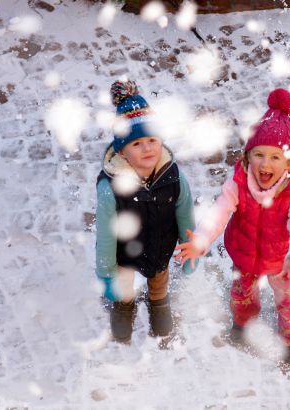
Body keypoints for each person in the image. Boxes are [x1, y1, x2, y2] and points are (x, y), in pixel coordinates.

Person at [175, 88, 290, 372]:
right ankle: (242, 325)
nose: (266, 164)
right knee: (241, 292)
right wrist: (202, 239)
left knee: (289, 300)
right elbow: (220, 210)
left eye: (275, 157)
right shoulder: (239, 184)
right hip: (245, 252)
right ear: (248, 156)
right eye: (259, 155)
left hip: (282, 259)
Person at [95, 80, 195, 345]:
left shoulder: (173, 177)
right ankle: (124, 305)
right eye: (137, 143)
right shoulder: (111, 188)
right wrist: (106, 272)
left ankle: (159, 301)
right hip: (124, 252)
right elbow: (105, 233)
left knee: (159, 277)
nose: (148, 148)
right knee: (124, 284)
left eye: (152, 140)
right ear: (123, 151)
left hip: (160, 247)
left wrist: (189, 247)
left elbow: (185, 214)